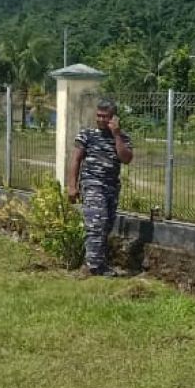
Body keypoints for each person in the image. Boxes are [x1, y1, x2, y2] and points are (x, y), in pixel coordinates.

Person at [66, 99, 134, 276]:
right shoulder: (87, 135)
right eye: (98, 115)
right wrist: (72, 186)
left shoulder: (123, 138)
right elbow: (75, 159)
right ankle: (93, 267)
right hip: (92, 184)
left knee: (105, 226)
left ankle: (96, 262)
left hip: (111, 187)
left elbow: (126, 158)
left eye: (105, 116)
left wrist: (117, 134)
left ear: (114, 117)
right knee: (96, 222)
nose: (101, 119)